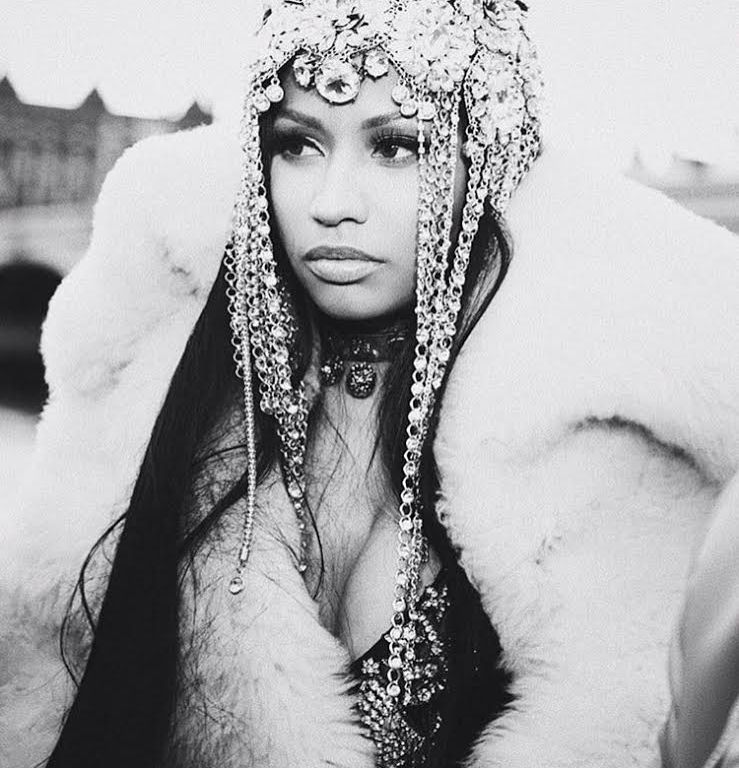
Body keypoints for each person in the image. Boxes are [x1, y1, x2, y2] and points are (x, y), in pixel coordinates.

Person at [1, 0, 738, 766]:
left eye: (395, 146)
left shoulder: (604, 467)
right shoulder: (157, 401)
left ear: (485, 162)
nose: (331, 204)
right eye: (296, 145)